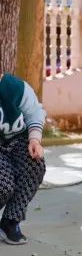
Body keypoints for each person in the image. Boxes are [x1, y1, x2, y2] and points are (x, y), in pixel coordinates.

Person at [0, 73, 46, 245]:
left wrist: (34, 140)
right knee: (3, 185)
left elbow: (34, 112)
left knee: (35, 165)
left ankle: (10, 222)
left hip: (18, 139)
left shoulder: (15, 87)